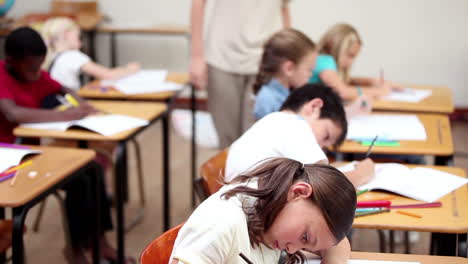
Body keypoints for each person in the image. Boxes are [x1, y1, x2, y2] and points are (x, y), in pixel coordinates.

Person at [0, 27, 129, 264]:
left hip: (31, 156)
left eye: (40, 65)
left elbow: (62, 88)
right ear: (11, 61)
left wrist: (82, 106)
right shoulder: (1, 76)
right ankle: (76, 250)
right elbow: (12, 113)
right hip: (8, 163)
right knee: (81, 179)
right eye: (30, 67)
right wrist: (67, 115)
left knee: (91, 171)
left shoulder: (37, 75)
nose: (36, 72)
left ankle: (99, 242)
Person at [170, 157, 357, 264]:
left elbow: (337, 244)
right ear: (298, 192)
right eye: (305, 237)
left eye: (305, 245)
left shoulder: (271, 204)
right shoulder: (221, 223)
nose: (292, 249)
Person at [225, 84, 375, 187]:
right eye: (326, 136)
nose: (321, 148)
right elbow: (327, 184)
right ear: (314, 107)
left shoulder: (274, 121)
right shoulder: (294, 124)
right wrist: (361, 174)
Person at [190, 0, 292, 148]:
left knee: (257, 140)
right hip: (222, 57)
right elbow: (198, 3)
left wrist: (288, 53)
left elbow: (283, 7)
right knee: (227, 141)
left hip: (267, 59)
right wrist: (196, 56)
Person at [40, 17, 140, 90]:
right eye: (78, 36)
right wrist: (129, 69)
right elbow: (107, 74)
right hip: (68, 104)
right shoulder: (72, 56)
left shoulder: (52, 55)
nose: (81, 41)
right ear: (67, 34)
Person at [309, 23, 402, 101]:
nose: (351, 62)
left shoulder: (321, 60)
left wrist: (372, 81)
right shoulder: (325, 61)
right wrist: (380, 91)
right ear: (332, 45)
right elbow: (342, 92)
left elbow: (347, 80)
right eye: (350, 55)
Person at [253, 28, 317, 120]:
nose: (311, 75)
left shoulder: (291, 94)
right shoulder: (267, 100)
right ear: (289, 68)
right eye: (309, 70)